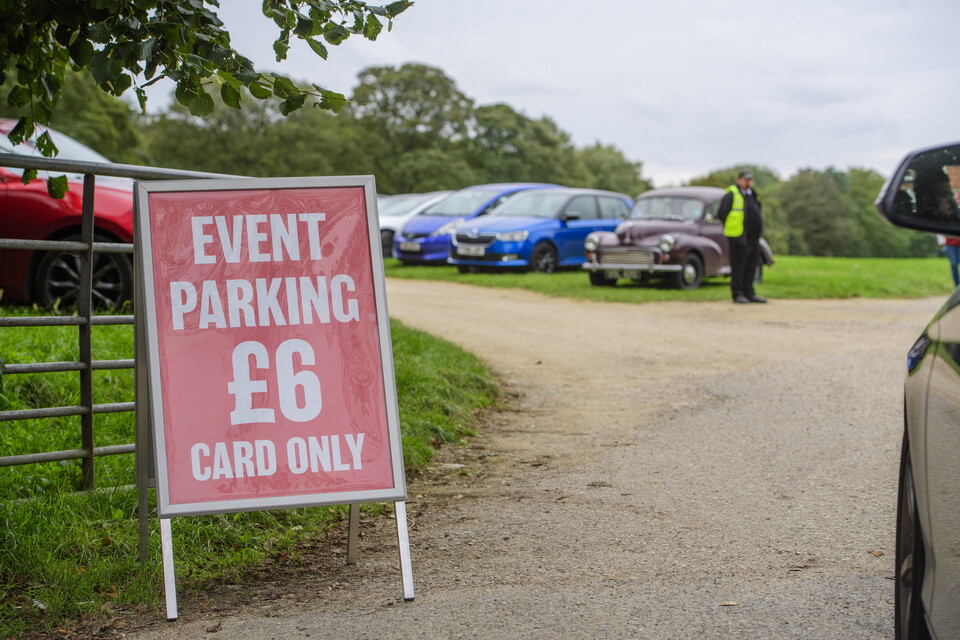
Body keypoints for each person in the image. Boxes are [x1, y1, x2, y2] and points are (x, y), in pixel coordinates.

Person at [718, 169, 766, 303]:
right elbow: (722, 213)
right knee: (739, 266)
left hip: (753, 237)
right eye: (746, 180)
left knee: (751, 266)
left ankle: (749, 292)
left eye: (750, 180)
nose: (748, 182)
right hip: (738, 236)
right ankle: (738, 293)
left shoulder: (753, 194)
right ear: (739, 180)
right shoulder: (732, 194)